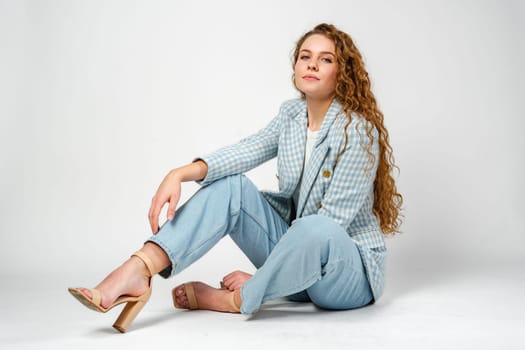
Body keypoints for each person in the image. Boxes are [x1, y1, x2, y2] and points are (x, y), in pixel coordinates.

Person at [68, 23, 403, 333]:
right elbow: (248, 150)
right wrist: (180, 173)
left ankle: (235, 300)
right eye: (305, 56)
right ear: (296, 67)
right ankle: (138, 271)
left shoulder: (357, 131)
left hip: (345, 276)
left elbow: (330, 224)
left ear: (342, 73)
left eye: (325, 59)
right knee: (232, 187)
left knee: (316, 226)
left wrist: (261, 279)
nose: (312, 65)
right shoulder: (291, 115)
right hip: (298, 263)